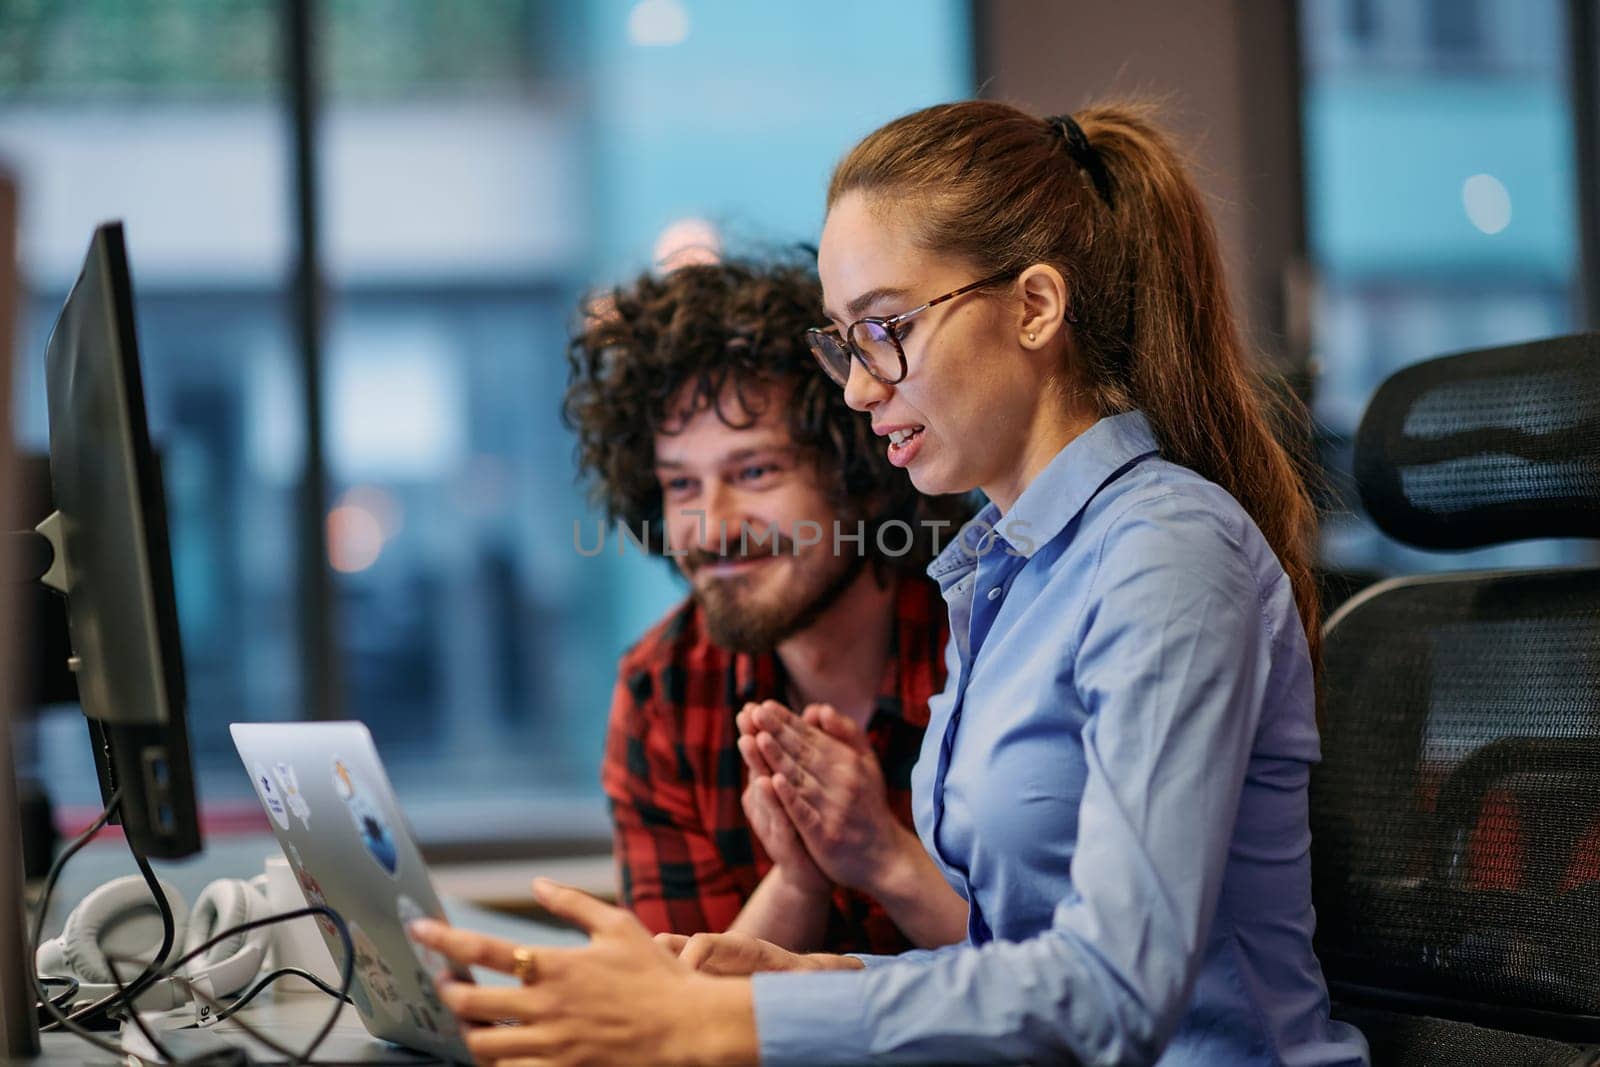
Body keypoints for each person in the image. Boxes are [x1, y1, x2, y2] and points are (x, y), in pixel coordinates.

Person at [412, 101, 1372, 1066]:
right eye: (845, 343)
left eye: (885, 328)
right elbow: (1014, 964)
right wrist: (809, 979)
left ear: (1036, 306)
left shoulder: (1165, 553)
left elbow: (1114, 994)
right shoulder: (1006, 573)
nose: (861, 387)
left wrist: (732, 1024)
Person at [566, 258, 973, 955]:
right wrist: (797, 882)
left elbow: (1074, 991)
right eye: (681, 485)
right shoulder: (665, 688)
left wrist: (883, 855)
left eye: (755, 472)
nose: (713, 525)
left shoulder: (988, 642)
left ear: (862, 477)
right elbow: (676, 1027)